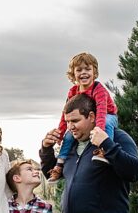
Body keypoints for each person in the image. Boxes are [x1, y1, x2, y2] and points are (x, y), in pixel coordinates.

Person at [48, 52, 119, 181]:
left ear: (94, 72)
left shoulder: (99, 89)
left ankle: (103, 151)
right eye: (79, 70)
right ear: (73, 74)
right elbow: (66, 113)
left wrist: (99, 130)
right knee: (69, 136)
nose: (83, 73)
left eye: (88, 69)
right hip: (90, 119)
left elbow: (102, 111)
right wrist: (61, 132)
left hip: (107, 115)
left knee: (108, 123)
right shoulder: (73, 91)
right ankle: (59, 165)